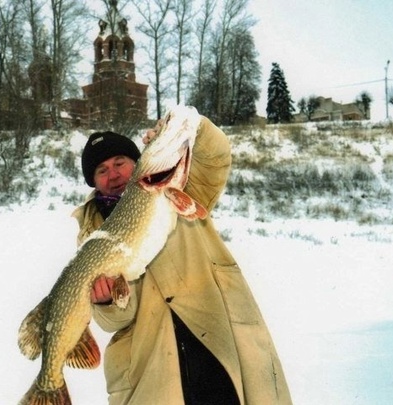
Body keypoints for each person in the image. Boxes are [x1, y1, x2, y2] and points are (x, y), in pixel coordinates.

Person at [72, 115, 293, 405]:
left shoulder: (180, 187)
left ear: (138, 162)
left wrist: (193, 125)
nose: (112, 174)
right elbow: (116, 321)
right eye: (101, 170)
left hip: (214, 335)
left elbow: (215, 157)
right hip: (153, 361)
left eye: (119, 162)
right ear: (94, 182)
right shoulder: (92, 235)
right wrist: (106, 303)